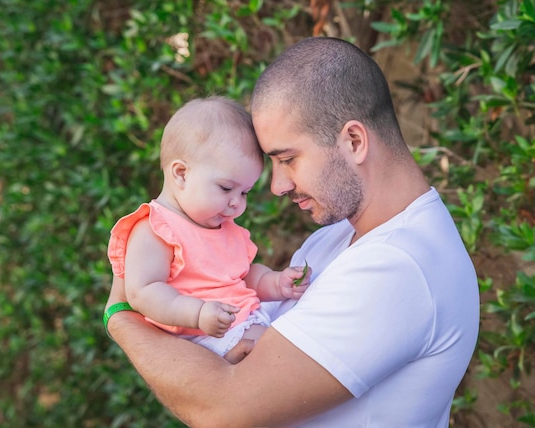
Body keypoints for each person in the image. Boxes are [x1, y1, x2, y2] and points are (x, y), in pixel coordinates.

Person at [104, 37, 480, 427]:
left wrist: (122, 316)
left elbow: (222, 408)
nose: (277, 186)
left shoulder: (399, 266)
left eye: (288, 159)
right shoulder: (333, 240)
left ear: (354, 141)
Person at [106, 96, 310, 363]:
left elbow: (243, 277)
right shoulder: (154, 229)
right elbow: (142, 291)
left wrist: (275, 282)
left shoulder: (223, 227)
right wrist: (197, 313)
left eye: (245, 192)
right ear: (181, 174)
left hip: (243, 321)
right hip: (199, 338)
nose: (237, 203)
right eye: (226, 188)